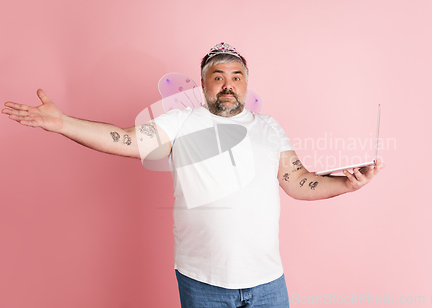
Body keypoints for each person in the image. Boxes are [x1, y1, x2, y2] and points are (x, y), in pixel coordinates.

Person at [2, 42, 384, 308]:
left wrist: (347, 184)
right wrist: (63, 122)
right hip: (203, 282)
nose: (228, 84)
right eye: (218, 76)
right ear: (204, 85)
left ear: (246, 84)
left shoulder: (269, 127)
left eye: (236, 76)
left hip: (268, 282)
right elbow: (125, 140)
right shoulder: (181, 121)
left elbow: (299, 182)